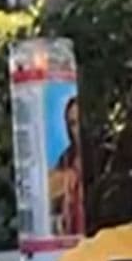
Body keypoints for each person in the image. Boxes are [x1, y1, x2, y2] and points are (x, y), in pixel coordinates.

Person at [48, 95, 85, 236]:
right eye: (73, 124)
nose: (78, 129)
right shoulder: (66, 158)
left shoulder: (103, 155)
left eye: (80, 121)